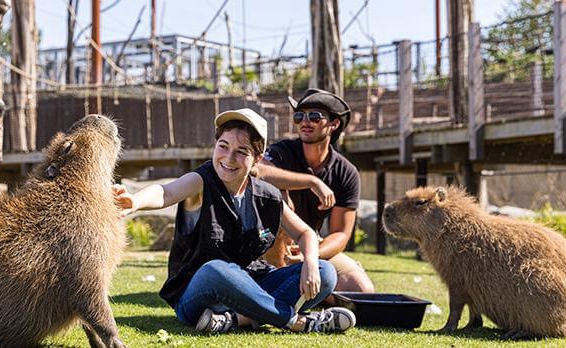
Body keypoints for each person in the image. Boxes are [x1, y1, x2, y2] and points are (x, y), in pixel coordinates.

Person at [113, 108, 356, 334]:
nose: (229, 158)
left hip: (250, 286)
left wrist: (311, 263)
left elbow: (305, 233)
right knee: (216, 269)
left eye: (241, 152)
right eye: (223, 146)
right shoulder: (201, 181)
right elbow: (166, 192)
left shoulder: (267, 195)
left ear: (258, 158)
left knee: (326, 272)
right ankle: (295, 321)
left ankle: (239, 319)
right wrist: (135, 202)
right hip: (199, 293)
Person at [258, 88, 375, 300]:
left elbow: (340, 234)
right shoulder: (282, 151)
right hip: (266, 238)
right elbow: (259, 171)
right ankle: (282, 287)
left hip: (310, 245)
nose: (305, 121)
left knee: (361, 290)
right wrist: (312, 182)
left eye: (314, 116)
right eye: (299, 116)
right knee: (282, 201)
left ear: (334, 124)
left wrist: (310, 255)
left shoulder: (346, 172)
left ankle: (294, 293)